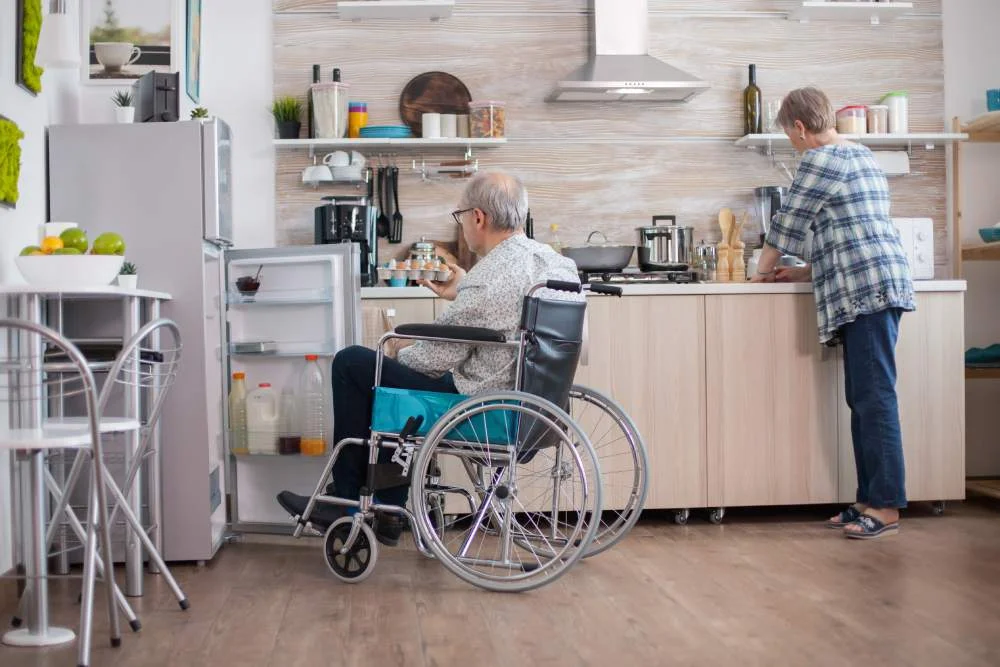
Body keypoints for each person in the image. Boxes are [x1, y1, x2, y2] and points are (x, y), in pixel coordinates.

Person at [277, 171, 581, 545]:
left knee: (354, 364)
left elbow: (433, 359)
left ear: (478, 217)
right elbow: (508, 316)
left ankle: (349, 503)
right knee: (388, 384)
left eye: (461, 216)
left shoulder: (489, 276)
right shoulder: (557, 264)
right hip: (535, 409)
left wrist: (394, 349)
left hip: (483, 410)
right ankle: (385, 507)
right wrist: (462, 290)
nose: (462, 225)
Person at [750, 87, 915, 540]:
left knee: (874, 398)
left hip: (867, 288)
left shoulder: (820, 159)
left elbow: (788, 223)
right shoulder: (859, 153)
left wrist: (760, 273)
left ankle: (886, 506)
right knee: (863, 398)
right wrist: (806, 270)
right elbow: (850, 226)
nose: (792, 144)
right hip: (874, 281)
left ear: (800, 127)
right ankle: (868, 499)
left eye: (789, 136)